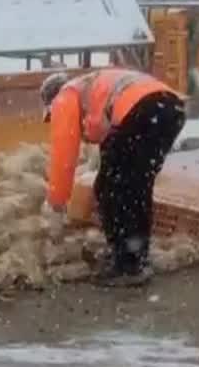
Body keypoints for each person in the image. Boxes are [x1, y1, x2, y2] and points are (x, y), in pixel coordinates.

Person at [41, 67, 186, 287]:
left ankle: (126, 263)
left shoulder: (65, 96)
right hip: (169, 109)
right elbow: (108, 137)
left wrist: (56, 205)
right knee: (137, 187)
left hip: (142, 110)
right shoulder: (93, 87)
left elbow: (64, 156)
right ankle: (135, 256)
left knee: (110, 188)